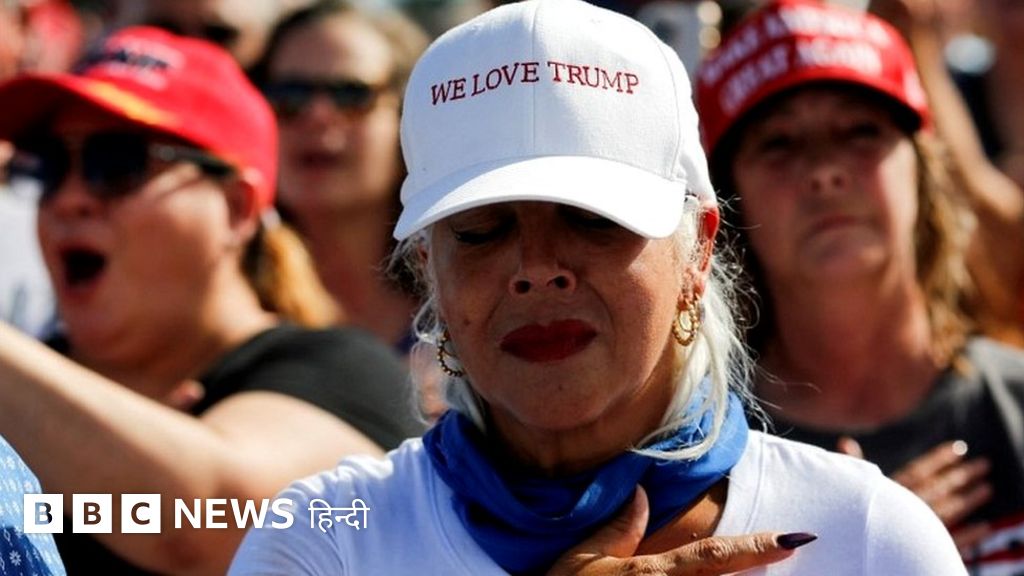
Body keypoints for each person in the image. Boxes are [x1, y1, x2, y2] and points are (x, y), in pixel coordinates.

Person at [228, 0, 966, 573]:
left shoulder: (868, 534)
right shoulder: (324, 537)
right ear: (427, 268)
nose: (536, 267)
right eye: (481, 230)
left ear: (698, 249)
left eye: (593, 219)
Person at [0, 26, 423, 575]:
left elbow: (222, 524)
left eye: (117, 165)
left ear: (236, 207)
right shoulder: (22, 381)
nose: (70, 199)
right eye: (49, 166)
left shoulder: (341, 372)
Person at [695, 0, 1024, 570]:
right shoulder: (693, 457)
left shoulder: (1015, 401)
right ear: (729, 202)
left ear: (924, 168)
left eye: (860, 131)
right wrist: (859, 546)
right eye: (779, 143)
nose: (825, 171)